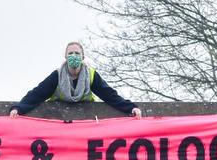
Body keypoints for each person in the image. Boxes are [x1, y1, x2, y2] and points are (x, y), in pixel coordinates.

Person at [10, 41, 142, 118]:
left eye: (77, 53)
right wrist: (19, 108)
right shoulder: (57, 75)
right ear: (65, 57)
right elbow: (37, 94)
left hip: (85, 118)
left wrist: (130, 108)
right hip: (58, 117)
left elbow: (109, 95)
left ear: (83, 57)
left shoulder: (91, 75)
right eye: (70, 53)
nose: (74, 56)